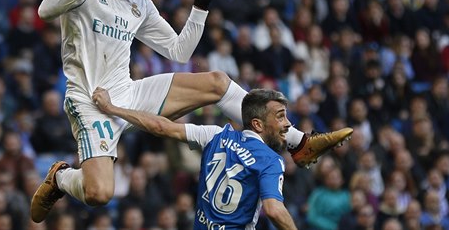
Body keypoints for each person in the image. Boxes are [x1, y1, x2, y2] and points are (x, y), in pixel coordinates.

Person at [31, 0, 353, 222]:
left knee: (216, 82)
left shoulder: (138, 3)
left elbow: (179, 51)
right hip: (90, 101)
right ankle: (60, 178)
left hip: (127, 93)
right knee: (99, 193)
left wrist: (200, 7)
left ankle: (298, 143)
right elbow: (46, 10)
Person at [93, 87, 298, 230]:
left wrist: (112, 109)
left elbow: (160, 126)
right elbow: (273, 210)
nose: (288, 124)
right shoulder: (271, 161)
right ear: (258, 124)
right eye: (280, 116)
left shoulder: (215, 135)